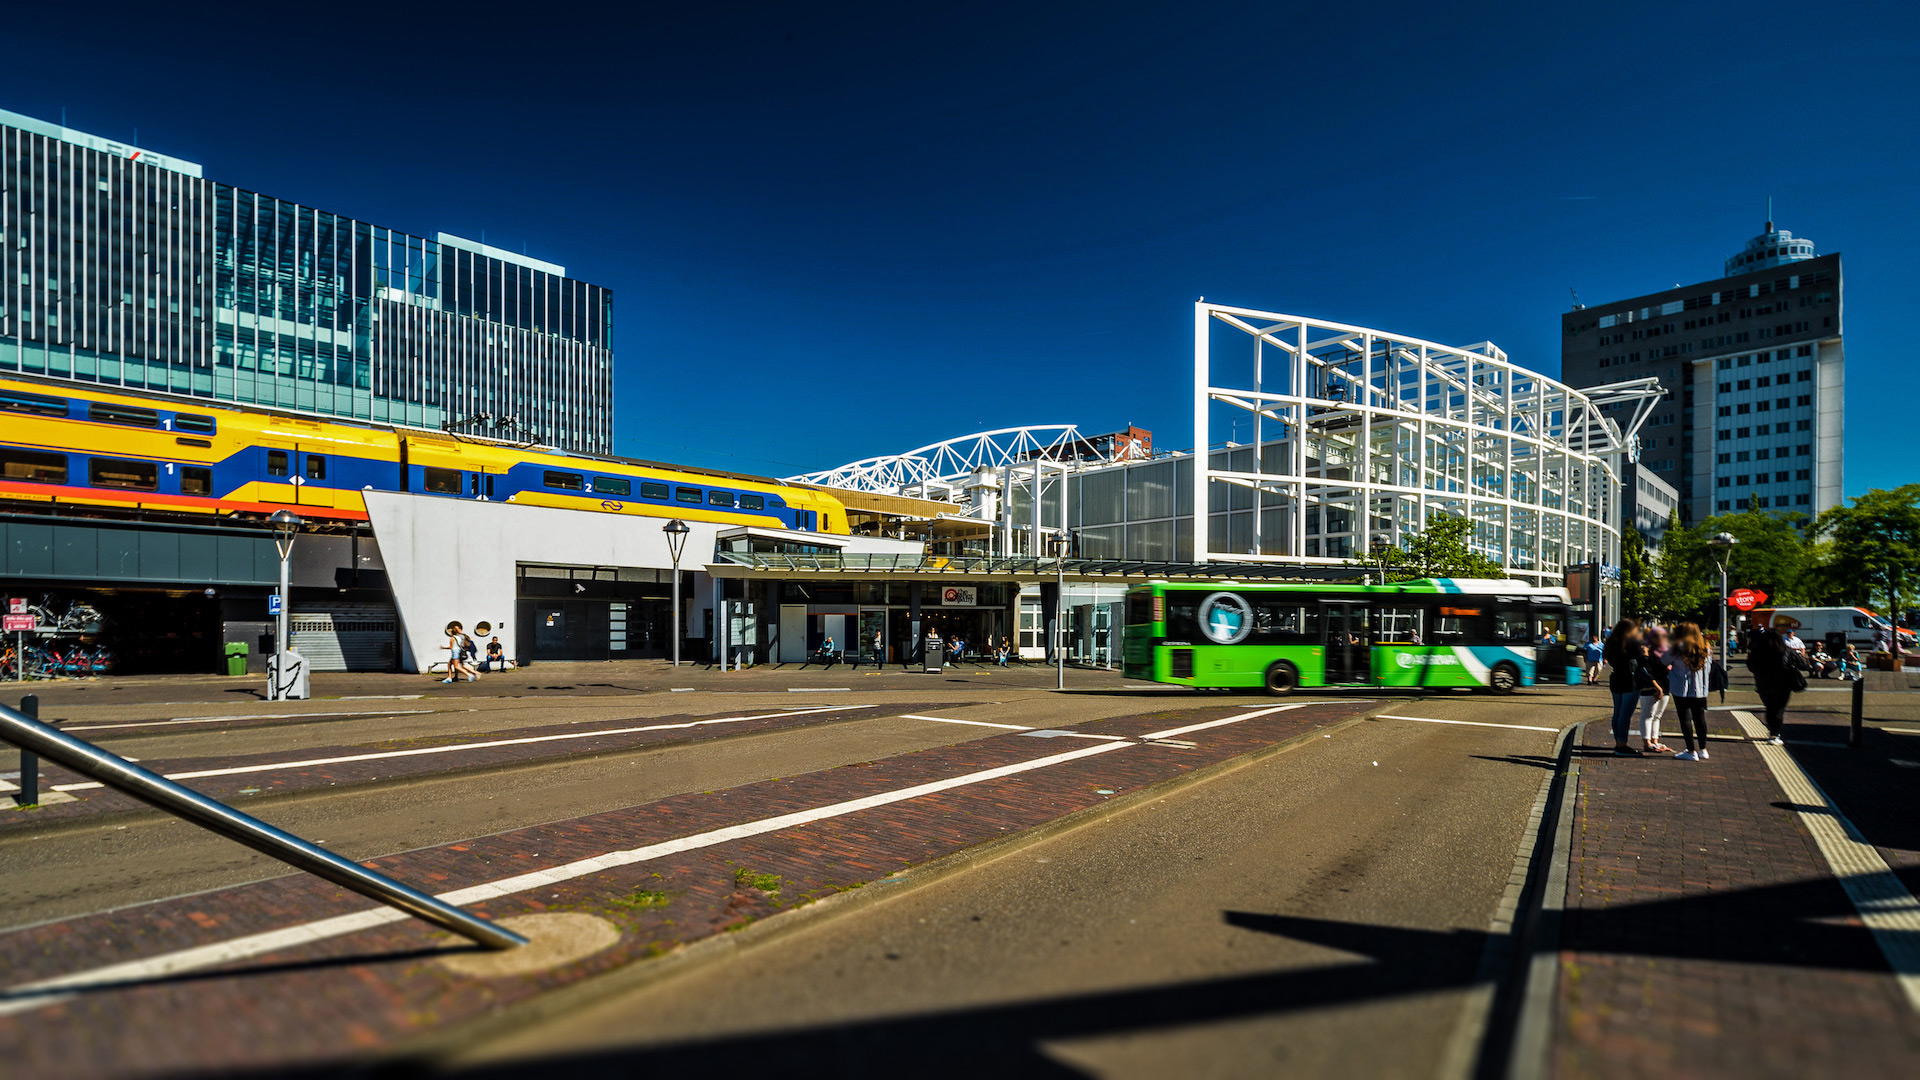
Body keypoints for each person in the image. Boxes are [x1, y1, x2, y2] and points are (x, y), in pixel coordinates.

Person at [1602, 618, 1656, 755]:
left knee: (1618, 713)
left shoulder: (1611, 642)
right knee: (1625, 715)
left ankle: (1618, 742)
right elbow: (1642, 662)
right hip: (1630, 680)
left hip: (1616, 679)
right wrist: (1645, 654)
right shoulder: (1632, 643)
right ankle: (1622, 745)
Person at [1745, 616, 1803, 745]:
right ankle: (1774, 734)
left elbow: (1750, 666)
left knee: (1769, 707)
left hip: (1763, 684)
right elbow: (1802, 664)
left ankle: (1772, 732)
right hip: (1784, 684)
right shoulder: (1786, 651)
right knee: (1779, 709)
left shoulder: (1757, 652)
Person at [1667, 622, 1715, 761]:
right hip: (1700, 688)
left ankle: (1690, 750)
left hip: (1681, 688)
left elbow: (1664, 660)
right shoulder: (1706, 647)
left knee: (1685, 718)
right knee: (1700, 718)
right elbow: (1710, 666)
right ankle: (1703, 749)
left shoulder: (1677, 648)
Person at [1636, 625, 1675, 753]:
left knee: (1657, 716)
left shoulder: (1666, 652)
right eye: (1659, 636)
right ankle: (1647, 743)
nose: (1664, 639)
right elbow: (1646, 670)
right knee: (1647, 715)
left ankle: (1655, 741)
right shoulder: (1647, 651)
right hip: (1651, 687)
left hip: (1665, 687)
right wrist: (1657, 687)